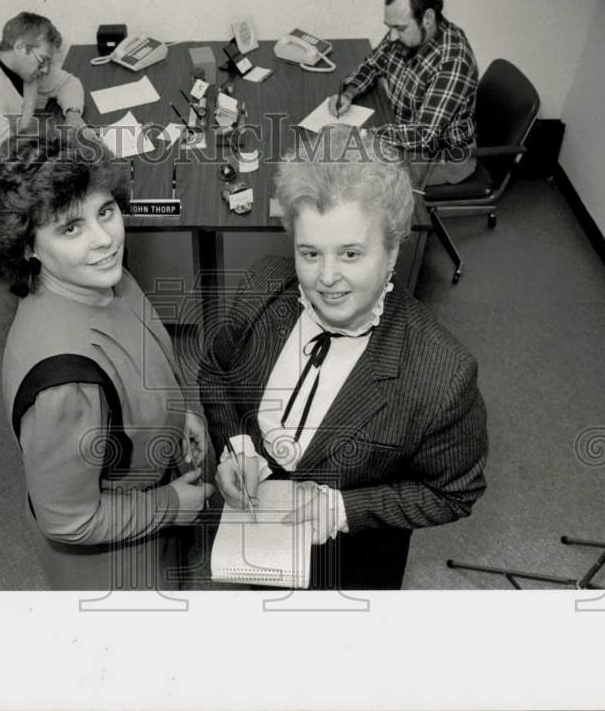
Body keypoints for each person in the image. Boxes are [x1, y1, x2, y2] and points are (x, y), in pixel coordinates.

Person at [198, 127, 488, 589]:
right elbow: (216, 371)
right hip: (255, 535)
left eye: (351, 253)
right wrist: (236, 445)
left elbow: (453, 492)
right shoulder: (260, 288)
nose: (327, 278)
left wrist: (344, 509)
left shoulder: (441, 375)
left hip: (350, 562)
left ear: (393, 249)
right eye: (309, 252)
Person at [0, 134, 212, 590]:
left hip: (147, 500)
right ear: (27, 246)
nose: (105, 239)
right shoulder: (65, 386)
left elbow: (144, 355)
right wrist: (171, 505)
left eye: (105, 212)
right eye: (71, 228)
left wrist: (179, 410)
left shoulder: (103, 278)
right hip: (112, 560)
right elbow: (69, 520)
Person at [328, 0, 479, 186]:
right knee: (336, 161)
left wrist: (365, 134)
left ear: (427, 18)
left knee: (354, 179)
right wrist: (348, 94)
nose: (391, 36)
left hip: (440, 157)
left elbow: (424, 135)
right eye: (389, 27)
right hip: (403, 135)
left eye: (399, 28)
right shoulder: (403, 35)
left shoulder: (453, 61)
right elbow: (372, 66)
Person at [0, 12, 89, 171]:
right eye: (43, 60)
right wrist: (62, 151)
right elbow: (11, 157)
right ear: (19, 47)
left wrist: (73, 114)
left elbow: (68, 83)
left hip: (18, 149)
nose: (45, 70)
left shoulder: (27, 68)